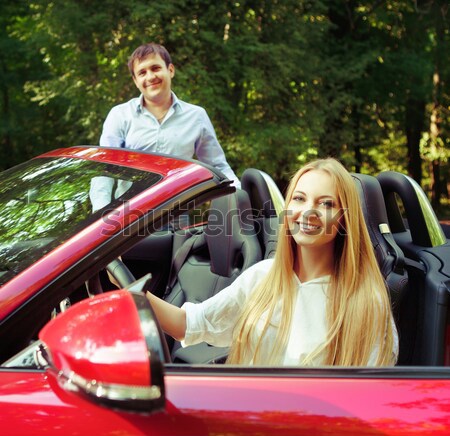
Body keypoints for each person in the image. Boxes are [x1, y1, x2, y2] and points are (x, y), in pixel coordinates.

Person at [145, 158, 399, 366]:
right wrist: (131, 292)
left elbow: (366, 396)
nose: (308, 211)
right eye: (299, 199)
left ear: (345, 218)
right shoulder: (262, 277)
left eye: (326, 203)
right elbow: (187, 325)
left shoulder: (365, 301)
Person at [99, 42, 240, 187]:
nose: (151, 76)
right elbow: (104, 171)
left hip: (179, 207)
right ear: (135, 81)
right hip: (131, 208)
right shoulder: (120, 115)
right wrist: (101, 209)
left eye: (156, 68)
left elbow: (218, 167)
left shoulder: (196, 116)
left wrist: (240, 197)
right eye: (142, 72)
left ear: (170, 70)